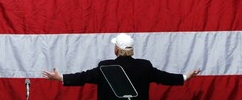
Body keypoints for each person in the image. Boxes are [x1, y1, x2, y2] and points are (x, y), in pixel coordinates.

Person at [42, 33, 201, 99]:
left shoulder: (105, 67)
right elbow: (165, 78)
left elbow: (83, 77)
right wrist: (186, 77)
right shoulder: (144, 66)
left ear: (117, 49)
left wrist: (60, 77)